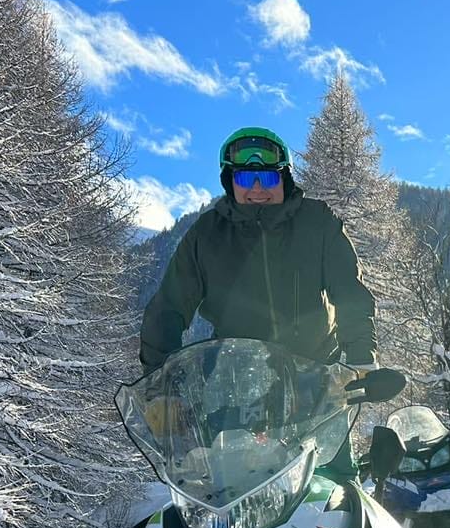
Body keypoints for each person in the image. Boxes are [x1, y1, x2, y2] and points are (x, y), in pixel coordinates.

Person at [139, 126, 376, 473]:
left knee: (336, 489)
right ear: (229, 182)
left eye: (267, 176)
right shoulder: (206, 235)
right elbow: (169, 308)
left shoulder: (318, 222)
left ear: (285, 179)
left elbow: (350, 293)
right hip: (234, 392)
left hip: (315, 388)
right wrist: (161, 387)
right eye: (246, 178)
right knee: (230, 500)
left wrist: (361, 360)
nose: (257, 189)